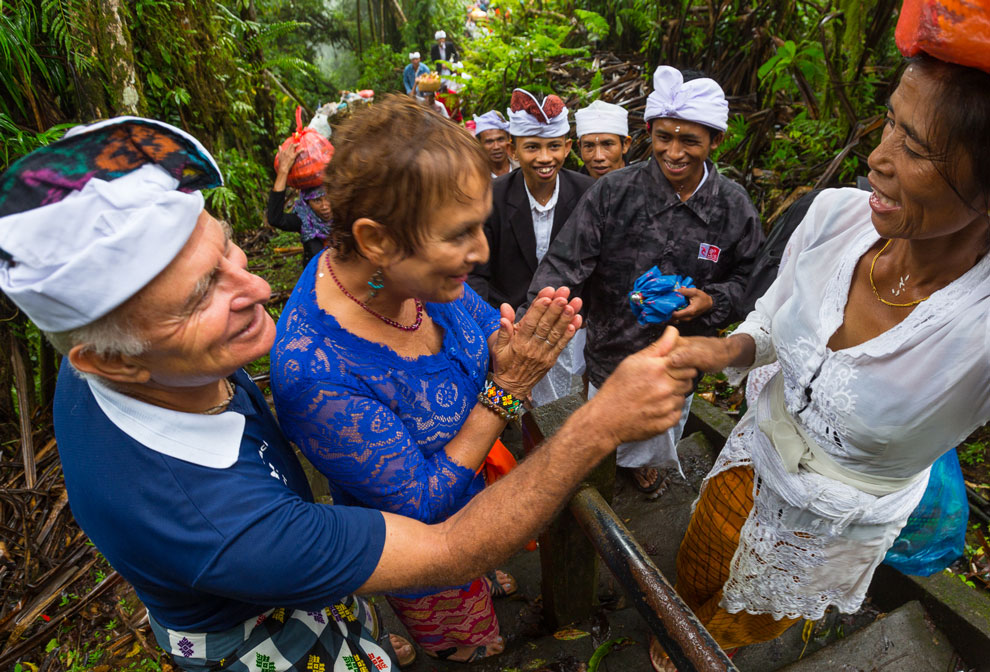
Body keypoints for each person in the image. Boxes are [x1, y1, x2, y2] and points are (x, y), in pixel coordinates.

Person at [0, 116, 695, 670]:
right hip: (273, 638)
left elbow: (478, 329)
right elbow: (444, 542)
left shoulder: (132, 350)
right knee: (451, 621)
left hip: (335, 566)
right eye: (202, 293)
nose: (257, 289)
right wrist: (587, 417)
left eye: (226, 252)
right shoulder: (234, 518)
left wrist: (501, 351)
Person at [652, 54, 990, 670]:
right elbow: (776, 317)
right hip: (748, 460)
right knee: (697, 562)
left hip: (825, 532)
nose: (877, 159)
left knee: (749, 617)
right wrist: (726, 348)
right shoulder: (835, 215)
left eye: (915, 147)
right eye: (889, 123)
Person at [270, 95, 584, 662]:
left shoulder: (412, 274)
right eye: (460, 234)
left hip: (476, 490)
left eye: (479, 227)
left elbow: (481, 319)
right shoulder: (317, 373)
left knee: (484, 569)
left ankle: (485, 570)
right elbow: (418, 506)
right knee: (477, 646)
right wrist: (505, 392)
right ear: (377, 240)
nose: (480, 253)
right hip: (425, 551)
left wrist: (505, 339)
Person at [526, 66, 763, 494]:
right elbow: (566, 262)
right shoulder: (614, 192)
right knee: (602, 428)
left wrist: (712, 300)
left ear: (716, 141)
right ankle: (603, 466)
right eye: (663, 137)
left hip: (680, 356)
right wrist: (538, 316)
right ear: (649, 132)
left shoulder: (733, 207)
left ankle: (641, 464)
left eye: (690, 140)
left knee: (659, 428)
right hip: (611, 349)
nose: (674, 152)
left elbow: (753, 278)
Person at [468, 88, 594, 311]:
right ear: (513, 151)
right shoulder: (491, 197)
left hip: (572, 320)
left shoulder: (588, 193)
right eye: (532, 147)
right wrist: (492, 325)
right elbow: (476, 274)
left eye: (554, 146)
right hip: (505, 321)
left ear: (566, 149)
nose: (545, 158)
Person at [268, 142, 333, 265]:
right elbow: (275, 219)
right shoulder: (305, 219)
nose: (325, 206)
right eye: (317, 201)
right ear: (307, 203)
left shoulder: (345, 211)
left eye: (328, 198)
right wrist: (283, 170)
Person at [574, 99, 632, 179]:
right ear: (580, 147)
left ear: (625, 145)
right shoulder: (569, 189)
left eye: (607, 144)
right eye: (589, 146)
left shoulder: (645, 187)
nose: (598, 157)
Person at [472, 110, 517, 178]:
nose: (496, 147)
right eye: (489, 142)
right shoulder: (475, 176)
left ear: (508, 139)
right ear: (480, 144)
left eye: (500, 139)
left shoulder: (523, 169)